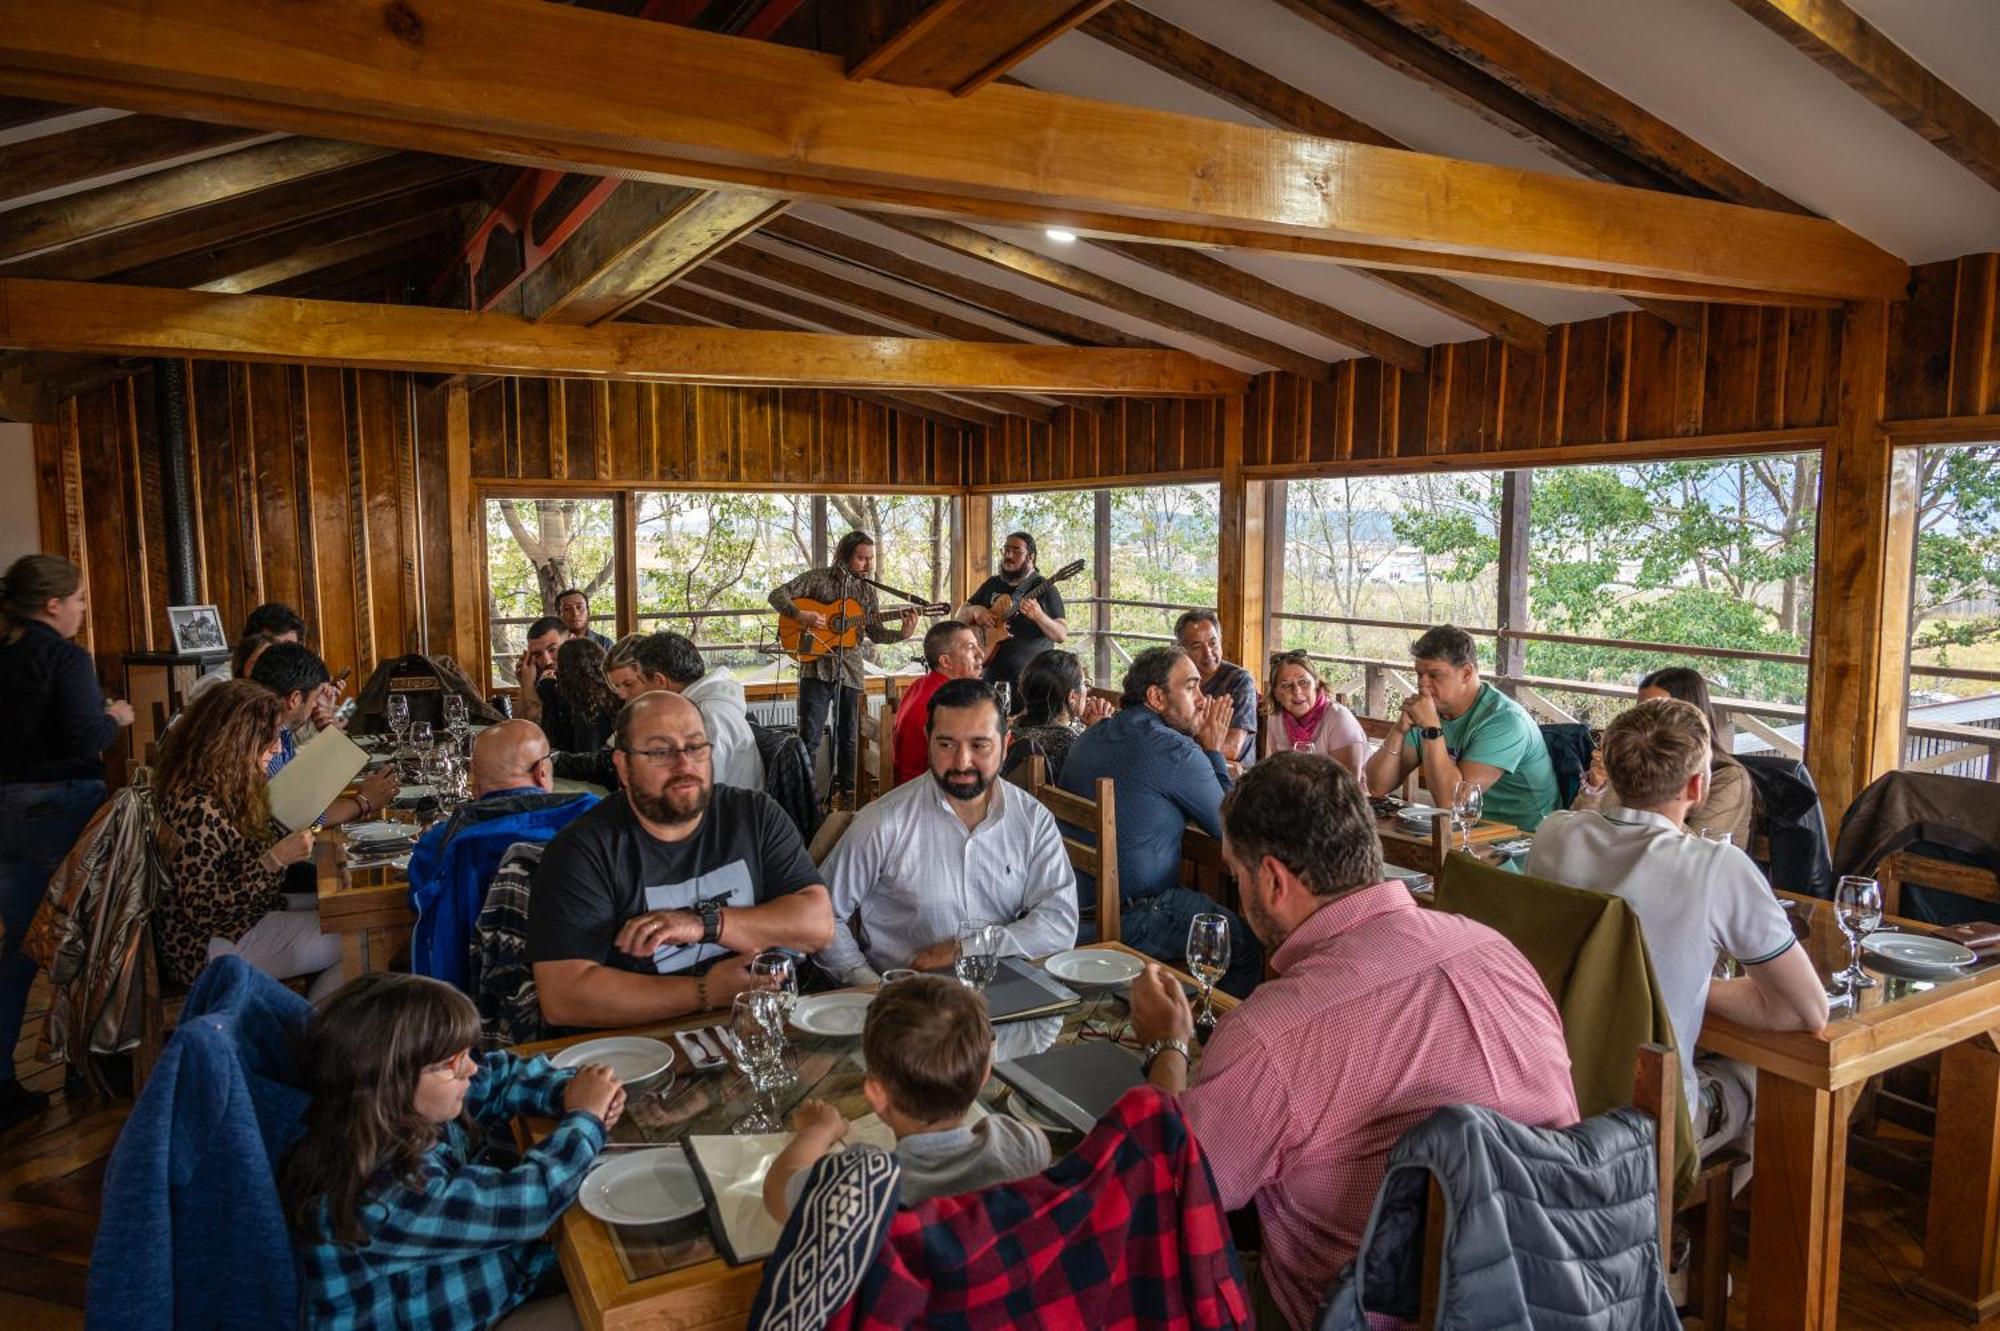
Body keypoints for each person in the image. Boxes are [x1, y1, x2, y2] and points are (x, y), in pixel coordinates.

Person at [1129, 753, 1579, 1327]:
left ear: (1272, 879)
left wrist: (1166, 1049)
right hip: (1549, 1297)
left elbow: (1166, 1193)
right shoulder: (1498, 952)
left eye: (1236, 875)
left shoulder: (1276, 1033)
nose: (1238, 891)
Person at [1529, 698, 1826, 1156]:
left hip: (1547, 1095)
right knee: (1769, 1075)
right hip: (1645, 1125)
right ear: (1698, 785)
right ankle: (1679, 1208)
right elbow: (1805, 1011)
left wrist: (1654, 987)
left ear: (1614, 771)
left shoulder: (1554, 833)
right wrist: (1675, 989)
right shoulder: (1716, 867)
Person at [280, 972, 624, 1330]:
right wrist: (585, 1119)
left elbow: (497, 1078)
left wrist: (567, 1093)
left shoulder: (390, 1112)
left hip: (496, 1283)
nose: (470, 1068)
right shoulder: (377, 1196)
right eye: (451, 1063)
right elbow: (529, 1204)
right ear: (391, 1081)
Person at [528, 692, 835, 1030]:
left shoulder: (754, 815)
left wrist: (705, 923)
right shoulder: (582, 851)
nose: (684, 765)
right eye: (660, 752)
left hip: (763, 1025)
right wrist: (706, 992)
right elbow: (564, 997)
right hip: (642, 1048)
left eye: (695, 747)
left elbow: (817, 926)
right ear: (623, 766)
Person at [818, 679, 1077, 985]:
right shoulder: (883, 822)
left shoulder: (1032, 820)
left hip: (1005, 992)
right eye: (946, 744)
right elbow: (823, 916)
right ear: (927, 740)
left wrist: (965, 950)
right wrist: (871, 988)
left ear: (1005, 745)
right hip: (911, 1002)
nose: (962, 761)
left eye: (979, 745)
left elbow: (1059, 922)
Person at [0, 554, 133, 1130]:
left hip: (8, 806)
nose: (82, 609)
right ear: (53, 604)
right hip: (60, 805)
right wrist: (117, 716)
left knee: (22, 940)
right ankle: (89, 1060)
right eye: (78, 600)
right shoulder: (64, 657)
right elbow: (86, 734)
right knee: (78, 934)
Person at [764, 974, 1050, 1223]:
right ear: (985, 1073)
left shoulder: (859, 1181)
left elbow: (778, 1192)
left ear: (877, 1094)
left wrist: (817, 1131)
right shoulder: (1021, 1145)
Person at [1059, 647, 1261, 997]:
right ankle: (1208, 1038)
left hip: (1069, 911)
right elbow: (1232, 828)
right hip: (1134, 917)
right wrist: (1212, 749)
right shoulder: (1175, 751)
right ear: (1156, 696)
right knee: (1243, 945)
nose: (1203, 700)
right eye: (1191, 688)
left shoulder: (1095, 732)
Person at [152, 680, 340, 998]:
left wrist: (312, 827)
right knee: (356, 934)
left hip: (246, 915)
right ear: (236, 744)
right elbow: (204, 908)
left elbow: (309, 828)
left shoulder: (229, 784)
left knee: (341, 908)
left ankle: (312, 1021)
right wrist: (274, 860)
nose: (279, 750)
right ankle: (315, 1032)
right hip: (204, 948)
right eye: (269, 744)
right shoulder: (198, 804)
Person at [766, 531, 919, 807]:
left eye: (870, 559)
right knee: (810, 737)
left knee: (850, 736)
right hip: (815, 667)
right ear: (845, 556)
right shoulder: (818, 579)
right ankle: (806, 800)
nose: (867, 565)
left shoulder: (867, 590)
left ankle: (849, 795)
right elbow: (777, 595)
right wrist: (800, 614)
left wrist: (902, 634)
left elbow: (874, 631)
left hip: (850, 668)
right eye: (861, 558)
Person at [1363, 624, 1559, 831]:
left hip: (1524, 841)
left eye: (1434, 675)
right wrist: (1399, 730)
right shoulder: (1431, 711)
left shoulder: (1505, 721)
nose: (1422, 684)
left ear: (1466, 673)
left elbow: (1452, 802)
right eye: (1419, 674)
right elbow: (1377, 786)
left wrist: (1431, 729)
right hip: (1465, 831)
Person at [1575, 667, 1755, 847]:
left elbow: (1701, 852)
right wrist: (1595, 786)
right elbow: (1577, 833)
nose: (1645, 724)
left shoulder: (1729, 778)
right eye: (1640, 712)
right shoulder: (1637, 760)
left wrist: (1650, 794)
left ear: (1691, 718)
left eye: (1659, 712)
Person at [250, 642, 397, 824]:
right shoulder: (262, 737)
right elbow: (291, 816)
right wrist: (364, 802)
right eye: (314, 698)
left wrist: (329, 719)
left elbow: (349, 712)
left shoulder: (278, 728)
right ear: (295, 699)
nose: (315, 705)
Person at [604, 631, 764, 791]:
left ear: (660, 681)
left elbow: (696, 792)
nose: (623, 695)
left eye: (641, 682)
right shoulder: (694, 707)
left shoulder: (709, 714)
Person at [959, 530, 1066, 695]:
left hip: (1030, 683)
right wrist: (975, 610)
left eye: (1016, 551)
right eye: (1006, 549)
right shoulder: (992, 583)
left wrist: (1039, 616)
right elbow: (959, 617)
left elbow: (1061, 635)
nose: (1009, 555)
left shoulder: (1046, 589)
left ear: (1031, 557)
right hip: (989, 678)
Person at [890, 620, 985, 787]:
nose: (981, 654)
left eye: (977, 646)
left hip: (908, 783)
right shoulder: (951, 699)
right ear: (946, 662)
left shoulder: (920, 684)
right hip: (925, 791)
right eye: (970, 647)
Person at [999, 648, 1111, 788]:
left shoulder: (1015, 727)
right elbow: (1100, 779)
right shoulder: (1065, 741)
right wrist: (1097, 733)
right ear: (1072, 696)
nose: (1088, 690)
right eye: (1085, 684)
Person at [1259, 650, 1368, 774]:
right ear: (1276, 693)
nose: (1296, 691)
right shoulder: (1276, 718)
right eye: (1286, 686)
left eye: (1303, 682)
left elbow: (1349, 782)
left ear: (1317, 684)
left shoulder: (1338, 718)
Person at [1174, 610, 1257, 764]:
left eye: (1213, 643)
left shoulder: (1240, 681)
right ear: (1181, 649)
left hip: (1234, 776)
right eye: (1197, 646)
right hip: (1187, 765)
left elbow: (1232, 749)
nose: (1208, 653)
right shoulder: (1176, 679)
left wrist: (1195, 737)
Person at [537, 637, 619, 756]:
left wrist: (547, 691)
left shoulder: (580, 704)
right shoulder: (610, 696)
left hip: (581, 769)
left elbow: (552, 744)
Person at [512, 616, 566, 725]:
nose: (547, 660)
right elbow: (518, 726)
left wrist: (528, 686)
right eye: (538, 654)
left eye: (552, 649)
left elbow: (542, 729)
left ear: (570, 641)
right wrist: (524, 684)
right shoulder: (546, 682)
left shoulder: (583, 680)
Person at [554, 586, 612, 650]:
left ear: (588, 611)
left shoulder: (605, 644)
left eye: (579, 607)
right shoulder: (553, 647)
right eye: (567, 609)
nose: (575, 614)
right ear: (558, 615)